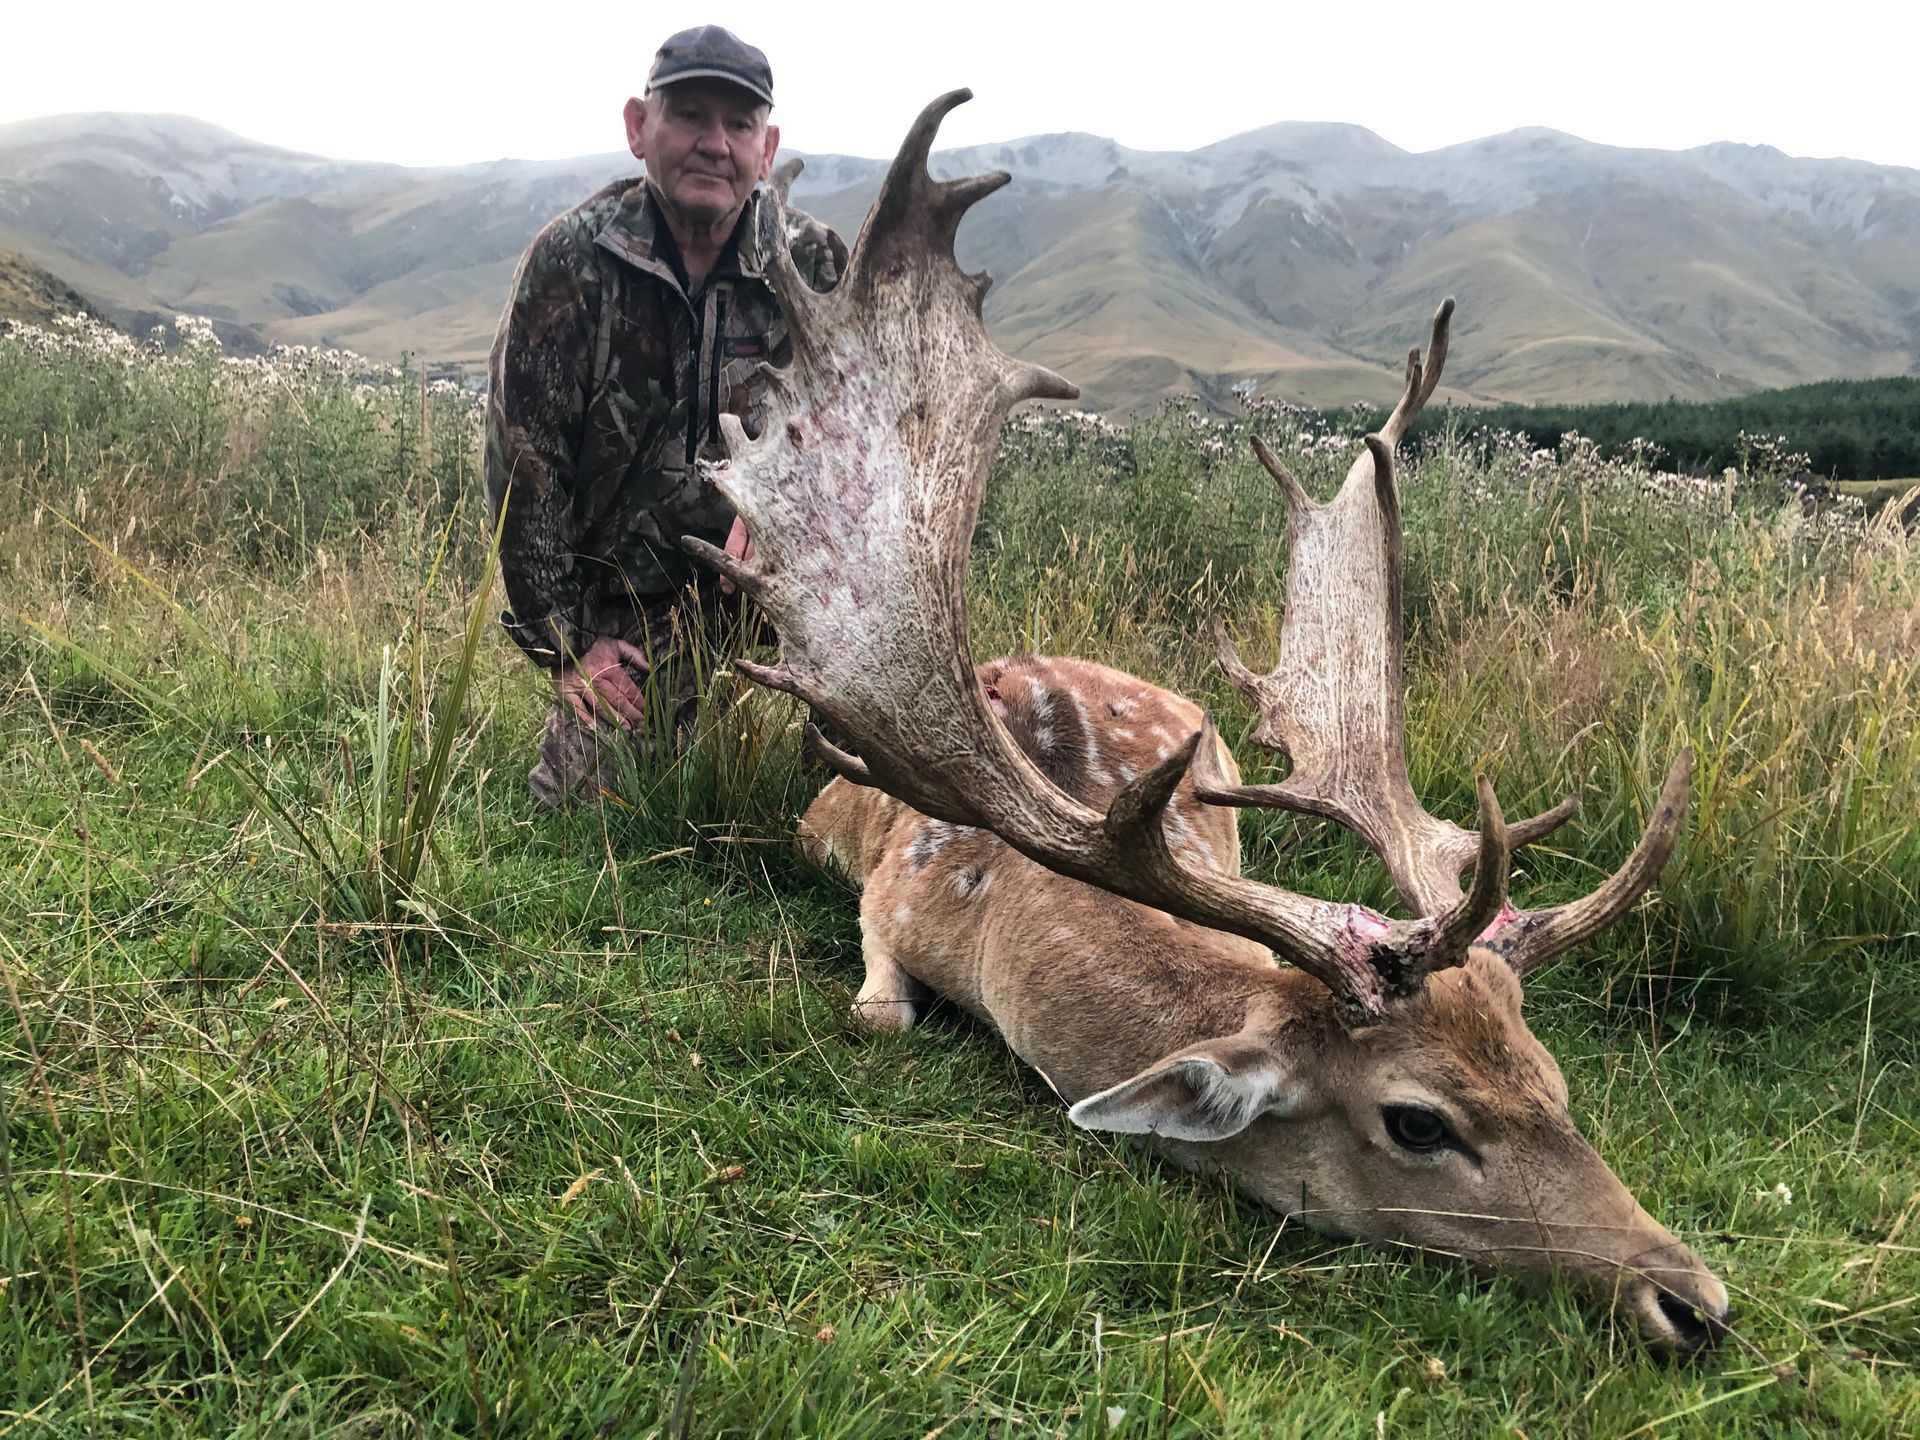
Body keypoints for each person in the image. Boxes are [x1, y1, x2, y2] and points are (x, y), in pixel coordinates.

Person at [485, 24, 846, 809]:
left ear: (768, 145)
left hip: (787, 590)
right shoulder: (570, 264)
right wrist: (568, 645)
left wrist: (788, 495)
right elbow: (526, 467)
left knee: (866, 791)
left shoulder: (816, 268)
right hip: (634, 609)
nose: (715, 143)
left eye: (739, 124)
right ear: (638, 128)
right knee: (595, 806)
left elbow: (868, 436)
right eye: (689, 116)